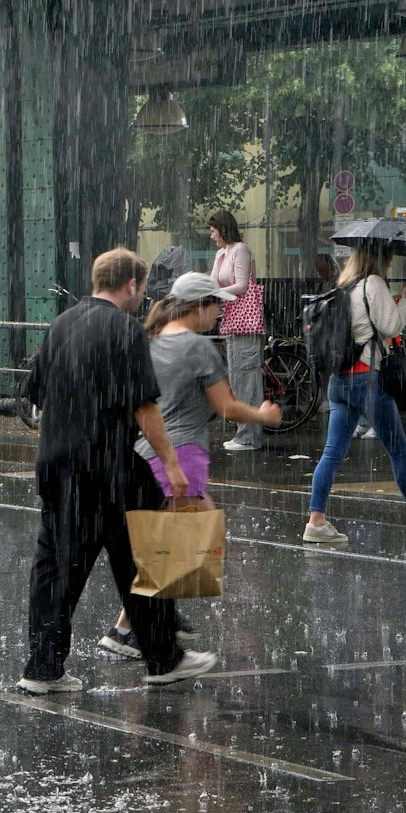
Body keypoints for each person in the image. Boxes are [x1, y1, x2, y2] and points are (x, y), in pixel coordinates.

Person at [19, 248, 220, 694]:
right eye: (142, 287)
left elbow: (37, 394)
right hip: (109, 464)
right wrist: (171, 464)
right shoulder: (125, 330)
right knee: (145, 552)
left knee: (57, 566)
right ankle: (164, 657)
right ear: (131, 285)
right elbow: (143, 406)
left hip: (57, 462)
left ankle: (42, 667)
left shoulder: (61, 324)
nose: (143, 295)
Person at [99, 273, 281, 659]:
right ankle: (126, 630)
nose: (219, 315)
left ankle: (161, 614)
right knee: (176, 546)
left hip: (148, 453)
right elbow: (226, 407)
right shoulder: (198, 347)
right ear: (199, 307)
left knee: (181, 540)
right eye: (216, 306)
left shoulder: (151, 340)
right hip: (182, 456)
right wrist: (262, 415)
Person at [303, 244, 406, 544]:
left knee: (331, 454)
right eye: (388, 263)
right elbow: (391, 327)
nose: (389, 268)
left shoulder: (345, 286)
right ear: (380, 261)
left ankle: (316, 520)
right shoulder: (373, 283)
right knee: (399, 451)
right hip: (366, 380)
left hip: (339, 382)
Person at [208, 212, 265, 452]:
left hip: (246, 323)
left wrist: (215, 293)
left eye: (213, 230)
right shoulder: (221, 254)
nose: (211, 235)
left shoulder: (240, 250)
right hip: (232, 321)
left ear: (223, 229)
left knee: (247, 379)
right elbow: (213, 282)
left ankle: (250, 437)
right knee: (237, 379)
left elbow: (242, 285)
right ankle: (243, 433)